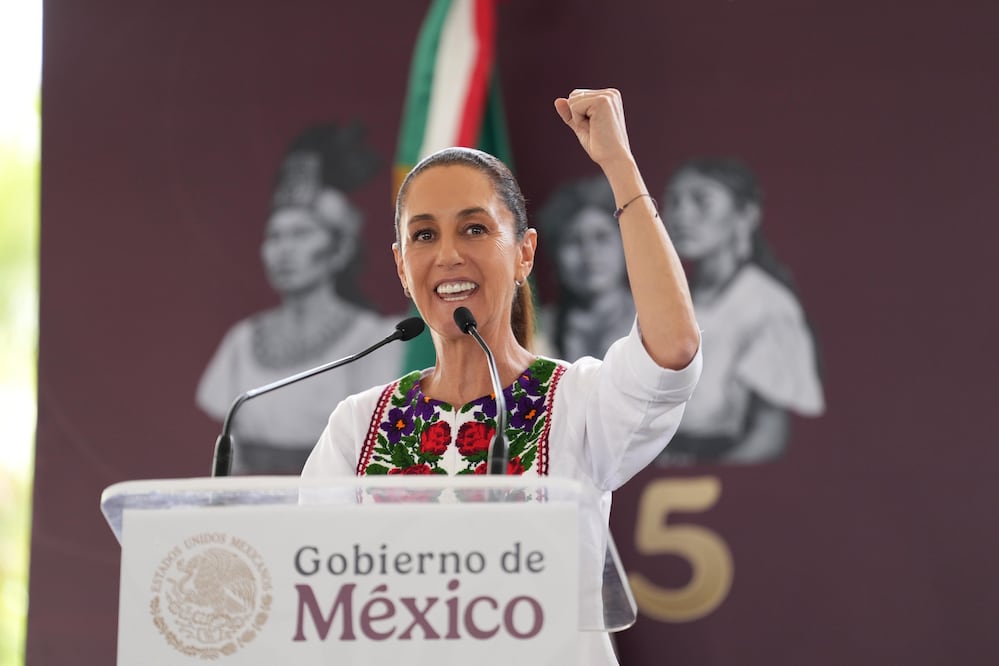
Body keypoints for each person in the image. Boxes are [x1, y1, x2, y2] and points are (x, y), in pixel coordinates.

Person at [302, 88, 702, 666]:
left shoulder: (577, 401)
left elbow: (673, 346)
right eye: (424, 235)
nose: (447, 256)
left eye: (474, 229)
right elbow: (312, 600)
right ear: (399, 265)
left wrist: (619, 164)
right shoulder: (356, 426)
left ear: (524, 255)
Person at [196, 123, 403, 474]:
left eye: (301, 234)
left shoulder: (375, 340)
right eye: (274, 236)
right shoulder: (242, 340)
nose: (284, 250)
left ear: (338, 250)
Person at [656, 157, 824, 465]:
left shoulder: (768, 305)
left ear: (745, 216)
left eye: (701, 201)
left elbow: (768, 432)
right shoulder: (663, 297)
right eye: (673, 201)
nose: (681, 215)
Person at [536, 174, 635, 361]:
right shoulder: (536, 330)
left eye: (602, 237)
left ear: (624, 245)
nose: (590, 254)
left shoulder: (652, 321)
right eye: (574, 241)